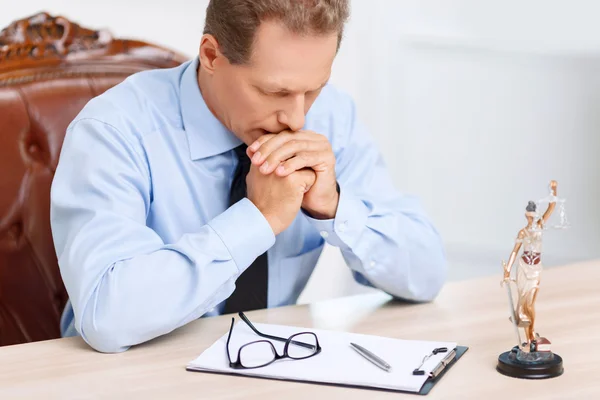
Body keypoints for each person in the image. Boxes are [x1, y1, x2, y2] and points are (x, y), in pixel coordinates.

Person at [50, 0, 447, 353]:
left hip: (271, 368)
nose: (297, 118)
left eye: (314, 90)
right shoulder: (114, 129)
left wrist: (335, 206)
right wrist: (258, 219)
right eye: (274, 92)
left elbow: (426, 275)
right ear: (211, 55)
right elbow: (107, 316)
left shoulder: (333, 118)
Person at [502, 181, 558, 346]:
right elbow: (514, 251)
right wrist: (507, 270)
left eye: (534, 214)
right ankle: (529, 338)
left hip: (535, 269)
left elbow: (552, 207)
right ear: (527, 215)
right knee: (524, 302)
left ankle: (531, 332)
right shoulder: (522, 232)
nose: (532, 217)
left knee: (531, 302)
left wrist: (554, 190)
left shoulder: (540, 226)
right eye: (529, 214)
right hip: (524, 268)